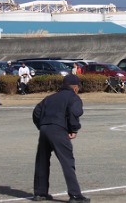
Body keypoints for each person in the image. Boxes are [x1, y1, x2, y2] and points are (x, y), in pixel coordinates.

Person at [32, 74, 90, 203]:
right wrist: (73, 129)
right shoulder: (74, 98)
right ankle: (75, 195)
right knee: (67, 162)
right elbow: (74, 113)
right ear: (75, 87)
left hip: (44, 129)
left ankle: (40, 193)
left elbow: (36, 112)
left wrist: (41, 125)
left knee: (42, 161)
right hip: (58, 129)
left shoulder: (50, 98)